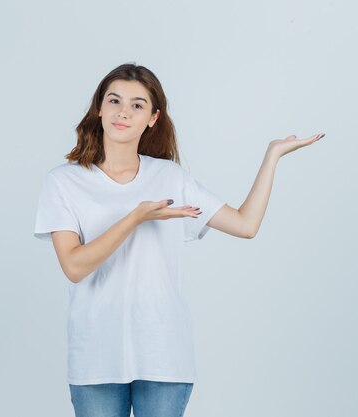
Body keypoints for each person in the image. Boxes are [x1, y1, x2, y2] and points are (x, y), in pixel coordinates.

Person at [33, 62, 325, 417]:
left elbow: (246, 225)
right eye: (114, 101)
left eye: (137, 105)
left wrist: (272, 156)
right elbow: (74, 266)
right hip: (96, 357)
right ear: (99, 108)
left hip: (164, 355)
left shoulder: (170, 177)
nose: (123, 112)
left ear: (153, 118)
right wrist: (136, 217)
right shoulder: (64, 182)